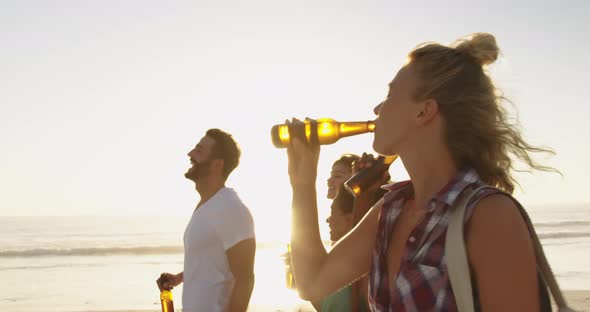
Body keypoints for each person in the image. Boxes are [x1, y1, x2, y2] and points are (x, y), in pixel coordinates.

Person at [286, 33, 557, 311]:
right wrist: (302, 183)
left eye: (390, 94)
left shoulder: (489, 215)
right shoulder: (390, 210)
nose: (377, 108)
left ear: (424, 111)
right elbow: (312, 282)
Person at [157, 128, 256, 312]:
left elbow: (245, 279)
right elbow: (213, 262)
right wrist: (180, 277)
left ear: (217, 165)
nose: (190, 154)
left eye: (199, 150)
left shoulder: (231, 209)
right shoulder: (206, 206)